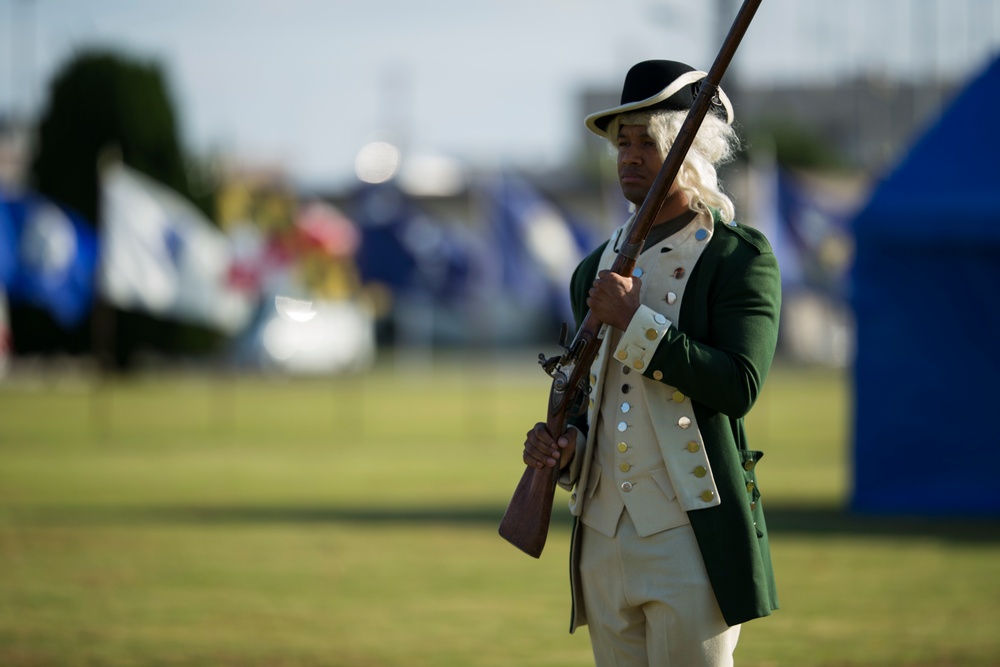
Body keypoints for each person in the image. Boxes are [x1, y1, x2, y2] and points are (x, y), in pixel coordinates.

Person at [521, 60, 781, 666]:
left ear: (690, 152)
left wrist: (640, 325)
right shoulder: (592, 267)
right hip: (600, 540)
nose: (630, 157)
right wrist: (569, 451)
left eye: (649, 141)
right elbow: (597, 406)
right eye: (623, 143)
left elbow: (739, 386)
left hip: (692, 539)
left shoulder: (738, 257)